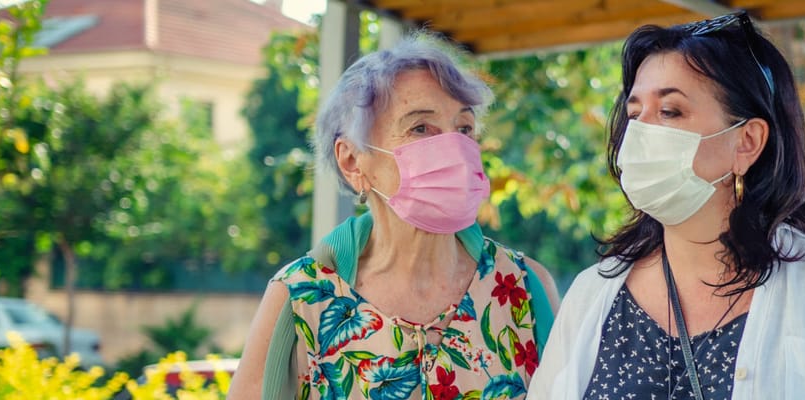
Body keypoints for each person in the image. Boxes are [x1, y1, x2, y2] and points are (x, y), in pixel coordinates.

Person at [528, 11, 805, 399]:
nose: (640, 135)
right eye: (635, 114)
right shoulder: (592, 295)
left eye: (670, 111)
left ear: (747, 142)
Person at [230, 34, 560, 400]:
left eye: (464, 128)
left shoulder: (525, 289)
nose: (454, 147)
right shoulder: (300, 298)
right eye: (420, 128)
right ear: (352, 161)